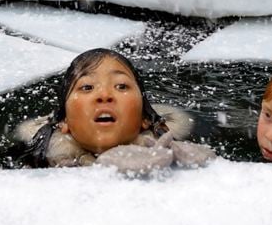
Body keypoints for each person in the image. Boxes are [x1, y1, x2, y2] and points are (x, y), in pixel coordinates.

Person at [15, 48, 213, 171]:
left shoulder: (174, 154)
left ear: (144, 118)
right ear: (64, 121)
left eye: (121, 86)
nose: (104, 95)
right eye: (87, 87)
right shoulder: (35, 167)